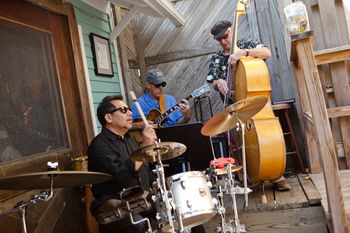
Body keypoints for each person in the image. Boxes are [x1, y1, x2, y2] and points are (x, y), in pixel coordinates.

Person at [88, 95, 206, 233]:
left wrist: (155, 183)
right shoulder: (99, 146)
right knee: (138, 224)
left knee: (184, 209)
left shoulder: (129, 139)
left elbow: (144, 170)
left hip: (138, 199)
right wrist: (145, 145)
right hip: (114, 204)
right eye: (123, 110)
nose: (130, 112)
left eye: (129, 109)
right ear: (108, 118)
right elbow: (123, 177)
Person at [207, 20, 291, 191]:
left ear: (232, 31)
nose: (224, 41)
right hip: (235, 108)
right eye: (219, 39)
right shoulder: (216, 59)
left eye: (226, 36)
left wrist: (243, 53)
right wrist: (219, 82)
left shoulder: (247, 44)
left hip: (256, 104)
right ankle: (251, 174)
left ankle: (275, 174)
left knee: (266, 138)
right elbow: (212, 80)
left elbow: (266, 52)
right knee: (239, 143)